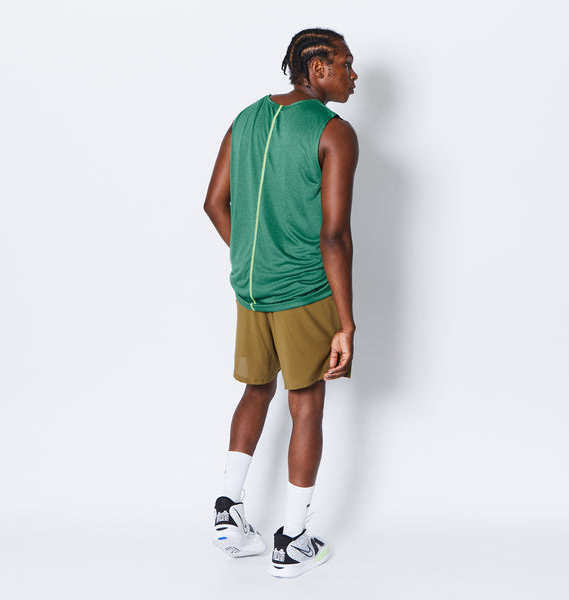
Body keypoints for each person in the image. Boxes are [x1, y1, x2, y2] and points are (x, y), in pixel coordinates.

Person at [203, 27, 358, 578]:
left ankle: (228, 514)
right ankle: (291, 541)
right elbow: (333, 236)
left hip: (251, 289)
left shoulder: (245, 118)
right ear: (317, 69)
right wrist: (346, 322)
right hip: (303, 290)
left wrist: (255, 256)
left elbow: (214, 203)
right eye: (345, 64)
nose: (353, 75)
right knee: (306, 402)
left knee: (256, 389)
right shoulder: (334, 133)